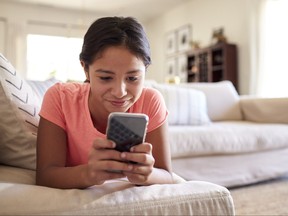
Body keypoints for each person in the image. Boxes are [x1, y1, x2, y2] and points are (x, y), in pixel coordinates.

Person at [36, 16, 173, 189]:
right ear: (85, 69)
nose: (120, 92)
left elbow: (167, 175)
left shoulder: (151, 100)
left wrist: (147, 174)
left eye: (132, 78)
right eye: (106, 78)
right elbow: (45, 176)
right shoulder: (60, 98)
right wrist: (89, 174)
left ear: (145, 70)